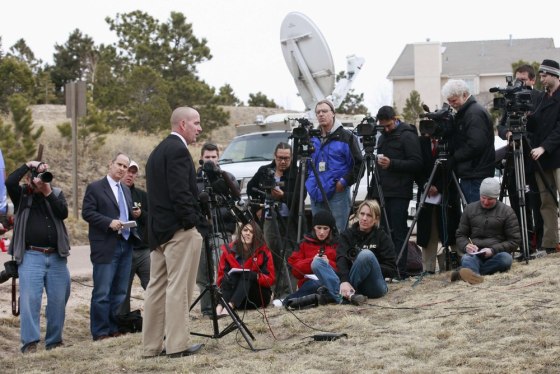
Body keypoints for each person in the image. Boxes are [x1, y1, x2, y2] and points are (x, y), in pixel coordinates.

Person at [142, 106, 207, 358]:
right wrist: (192, 221)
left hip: (158, 233)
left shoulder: (157, 152)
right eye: (196, 123)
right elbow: (181, 193)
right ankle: (177, 344)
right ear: (182, 124)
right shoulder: (178, 151)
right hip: (178, 231)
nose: (199, 128)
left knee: (156, 288)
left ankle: (150, 347)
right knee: (178, 287)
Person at [6, 161, 71, 353]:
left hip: (57, 256)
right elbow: (10, 182)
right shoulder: (22, 196)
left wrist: (47, 191)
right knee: (30, 301)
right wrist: (28, 164)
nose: (39, 181)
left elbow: (63, 213)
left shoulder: (56, 194)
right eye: (35, 177)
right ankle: (30, 343)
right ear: (28, 179)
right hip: (31, 255)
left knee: (59, 300)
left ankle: (54, 341)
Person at [82, 152, 141, 341]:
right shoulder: (96, 187)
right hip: (106, 246)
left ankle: (114, 327)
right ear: (110, 164)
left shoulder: (125, 189)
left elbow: (125, 213)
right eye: (120, 165)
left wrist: (133, 218)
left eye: (125, 167)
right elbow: (87, 213)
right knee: (102, 292)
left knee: (120, 291)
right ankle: (100, 331)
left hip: (125, 243)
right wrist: (109, 222)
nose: (122, 169)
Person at [496, 64, 544, 254]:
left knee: (536, 200)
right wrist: (507, 132)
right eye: (518, 80)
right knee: (516, 200)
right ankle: (522, 243)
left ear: (532, 80)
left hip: (532, 156)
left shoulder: (540, 98)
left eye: (523, 80)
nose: (520, 84)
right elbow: (500, 126)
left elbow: (541, 125)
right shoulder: (511, 99)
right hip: (514, 154)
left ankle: (538, 242)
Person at [373, 105, 422, 279]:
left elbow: (417, 163)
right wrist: (373, 193)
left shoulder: (407, 135)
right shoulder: (382, 138)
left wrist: (392, 163)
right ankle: (387, 268)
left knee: (398, 231)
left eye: (389, 125)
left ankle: (400, 270)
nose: (386, 129)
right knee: (384, 233)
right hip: (383, 191)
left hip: (400, 192)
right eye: (383, 126)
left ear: (396, 119)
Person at [247, 142, 298, 299]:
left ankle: (288, 292)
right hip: (269, 219)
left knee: (288, 255)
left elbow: (300, 197)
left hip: (288, 219)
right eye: (280, 158)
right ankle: (275, 292)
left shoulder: (296, 173)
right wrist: (259, 209)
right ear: (274, 157)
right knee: (272, 253)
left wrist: (283, 196)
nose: (283, 162)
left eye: (287, 159)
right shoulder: (264, 171)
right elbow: (250, 189)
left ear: (291, 158)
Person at [305, 99, 363, 233]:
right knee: (319, 233)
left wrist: (344, 182)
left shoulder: (346, 137)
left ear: (333, 114)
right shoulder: (312, 138)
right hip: (315, 192)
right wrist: (309, 182)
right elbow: (306, 164)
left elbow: (359, 165)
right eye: (318, 112)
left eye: (324, 111)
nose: (321, 114)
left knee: (338, 233)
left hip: (338, 194)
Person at [196, 142, 239, 318]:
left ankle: (222, 306)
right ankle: (207, 309)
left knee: (222, 270)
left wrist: (220, 177)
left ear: (218, 158)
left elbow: (235, 195)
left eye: (214, 157)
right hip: (200, 232)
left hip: (222, 229)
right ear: (201, 158)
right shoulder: (194, 179)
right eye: (207, 157)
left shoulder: (226, 176)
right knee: (203, 274)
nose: (211, 160)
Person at [453, 178, 520, 284]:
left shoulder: (507, 212)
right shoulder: (469, 209)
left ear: (496, 197)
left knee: (506, 259)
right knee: (466, 258)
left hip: (496, 254)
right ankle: (474, 276)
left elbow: (514, 241)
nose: (486, 202)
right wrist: (466, 245)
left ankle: (469, 273)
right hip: (475, 254)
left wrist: (493, 250)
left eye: (490, 199)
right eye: (483, 198)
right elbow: (461, 235)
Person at [331, 200, 397, 302]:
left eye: (369, 215)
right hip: (352, 283)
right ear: (358, 214)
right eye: (362, 214)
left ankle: (342, 294)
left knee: (366, 255)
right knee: (318, 263)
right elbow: (341, 259)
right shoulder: (347, 235)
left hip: (375, 286)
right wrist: (344, 280)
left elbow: (392, 269)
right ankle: (349, 293)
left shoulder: (382, 237)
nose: (364, 218)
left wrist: (369, 266)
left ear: (376, 219)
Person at [442, 79, 495, 204]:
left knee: (475, 213)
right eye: (449, 101)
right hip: (473, 171)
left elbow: (476, 145)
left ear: (464, 95)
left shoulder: (473, 114)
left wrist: (455, 157)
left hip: (475, 172)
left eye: (454, 100)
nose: (451, 104)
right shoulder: (468, 112)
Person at [527, 59, 560, 254]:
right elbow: (536, 126)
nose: (541, 78)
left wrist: (544, 147)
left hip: (555, 156)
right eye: (540, 75)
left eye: (544, 75)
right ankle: (550, 243)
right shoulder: (540, 98)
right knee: (546, 202)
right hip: (542, 159)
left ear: (555, 75)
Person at [416, 132, 462, 271]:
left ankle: (460, 263)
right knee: (428, 231)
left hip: (448, 191)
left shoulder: (450, 140)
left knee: (453, 229)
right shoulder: (421, 142)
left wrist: (439, 187)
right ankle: (428, 268)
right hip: (426, 194)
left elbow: (455, 165)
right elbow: (416, 165)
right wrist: (425, 184)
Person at [216, 221, 275, 316]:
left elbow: (270, 280)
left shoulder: (264, 251)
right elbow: (220, 279)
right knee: (230, 277)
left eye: (251, 232)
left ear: (256, 235)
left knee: (247, 275)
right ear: (240, 232)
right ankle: (219, 308)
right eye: (245, 230)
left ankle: (229, 307)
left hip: (258, 296)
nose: (248, 233)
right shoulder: (228, 250)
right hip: (235, 294)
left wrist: (256, 276)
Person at [284, 210, 339, 307]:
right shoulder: (304, 243)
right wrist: (312, 261)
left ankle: (293, 300)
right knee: (315, 285)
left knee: (321, 285)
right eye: (319, 228)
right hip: (310, 282)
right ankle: (293, 301)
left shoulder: (337, 244)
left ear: (330, 230)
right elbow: (294, 270)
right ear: (314, 228)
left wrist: (328, 263)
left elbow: (344, 268)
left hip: (332, 281)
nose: (321, 232)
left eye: (325, 228)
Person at [118, 160, 150, 320]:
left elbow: (154, 217)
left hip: (144, 249)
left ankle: (158, 317)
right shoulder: (115, 193)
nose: (129, 174)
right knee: (123, 289)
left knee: (152, 285)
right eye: (127, 171)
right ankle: (123, 321)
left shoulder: (142, 195)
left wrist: (141, 214)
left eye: (133, 172)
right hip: (125, 249)